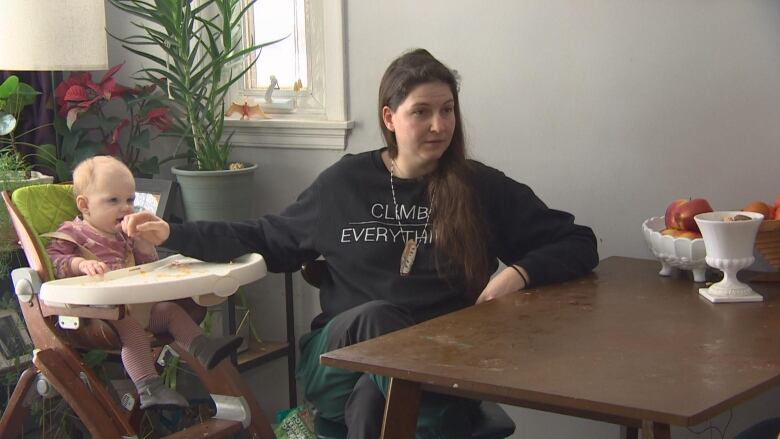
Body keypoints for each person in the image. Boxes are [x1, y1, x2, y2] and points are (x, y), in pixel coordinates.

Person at [124, 49, 599, 437]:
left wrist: (516, 274)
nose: (439, 125)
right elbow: (266, 236)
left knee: (374, 402)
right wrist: (174, 232)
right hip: (337, 363)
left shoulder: (481, 189)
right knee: (377, 320)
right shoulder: (345, 184)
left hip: (442, 363)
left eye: (448, 109)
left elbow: (578, 242)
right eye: (422, 112)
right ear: (390, 118)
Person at [46, 156, 243, 410]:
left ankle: (203, 348)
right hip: (99, 315)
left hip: (137, 306)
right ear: (84, 205)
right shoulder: (74, 233)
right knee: (130, 328)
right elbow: (54, 261)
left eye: (130, 200)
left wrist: (143, 242)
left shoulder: (123, 236)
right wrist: (80, 265)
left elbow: (147, 266)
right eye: (113, 200)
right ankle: (149, 387)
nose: (126, 208)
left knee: (170, 311)